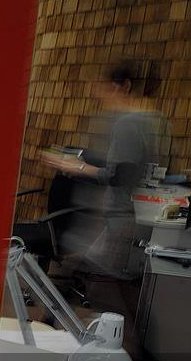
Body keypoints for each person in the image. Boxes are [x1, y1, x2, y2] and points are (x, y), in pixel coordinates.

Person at [43, 59, 170, 281]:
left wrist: (78, 167)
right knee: (106, 281)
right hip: (141, 214)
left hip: (121, 216)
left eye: (108, 88)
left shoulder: (127, 124)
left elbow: (119, 174)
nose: (103, 94)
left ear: (125, 86)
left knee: (99, 283)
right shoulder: (157, 120)